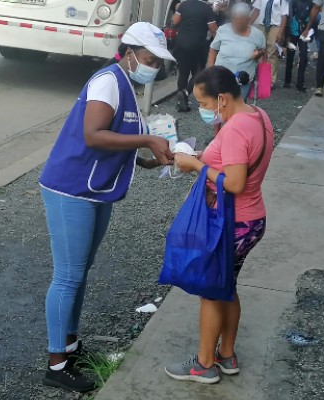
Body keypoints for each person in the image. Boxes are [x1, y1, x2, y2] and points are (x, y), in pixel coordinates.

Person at [38, 22, 175, 393]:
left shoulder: (126, 85)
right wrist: (147, 139)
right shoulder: (108, 81)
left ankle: (69, 345)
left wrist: (148, 160)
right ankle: (56, 364)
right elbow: (93, 134)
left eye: (157, 62)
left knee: (80, 271)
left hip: (95, 189)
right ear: (128, 51)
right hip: (72, 189)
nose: (154, 67)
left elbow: (119, 141)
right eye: (149, 59)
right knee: (68, 275)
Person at [164, 66, 274, 384]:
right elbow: (234, 162)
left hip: (234, 220)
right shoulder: (257, 115)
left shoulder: (237, 127)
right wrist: (201, 157)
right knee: (227, 286)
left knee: (211, 292)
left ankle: (203, 365)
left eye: (205, 103)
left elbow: (236, 182)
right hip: (251, 218)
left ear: (222, 99)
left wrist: (197, 165)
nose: (204, 109)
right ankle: (226, 355)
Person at [208, 2, 266, 99]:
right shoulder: (223, 30)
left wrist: (263, 83)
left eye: (242, 20)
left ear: (248, 19)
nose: (238, 23)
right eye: (236, 19)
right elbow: (213, 49)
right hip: (222, 77)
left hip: (243, 80)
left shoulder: (257, 35)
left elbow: (263, 53)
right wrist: (210, 71)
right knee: (222, 105)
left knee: (239, 107)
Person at [173, 0, 219, 112]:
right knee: (200, 71)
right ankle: (191, 94)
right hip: (198, 44)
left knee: (183, 72)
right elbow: (212, 28)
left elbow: (175, 21)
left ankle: (181, 101)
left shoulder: (183, 5)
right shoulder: (206, 8)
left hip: (181, 43)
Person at [250, 0, 290, 88]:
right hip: (262, 25)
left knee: (272, 52)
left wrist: (280, 32)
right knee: (261, 52)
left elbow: (284, 17)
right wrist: (248, 25)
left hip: (275, 26)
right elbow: (257, 10)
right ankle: (262, 78)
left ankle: (269, 81)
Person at [284, 0, 315, 91]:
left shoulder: (310, 3)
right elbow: (288, 17)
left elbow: (312, 17)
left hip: (303, 34)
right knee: (290, 57)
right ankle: (287, 81)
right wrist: (288, 35)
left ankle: (300, 83)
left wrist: (308, 30)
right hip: (294, 33)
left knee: (303, 57)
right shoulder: (293, 2)